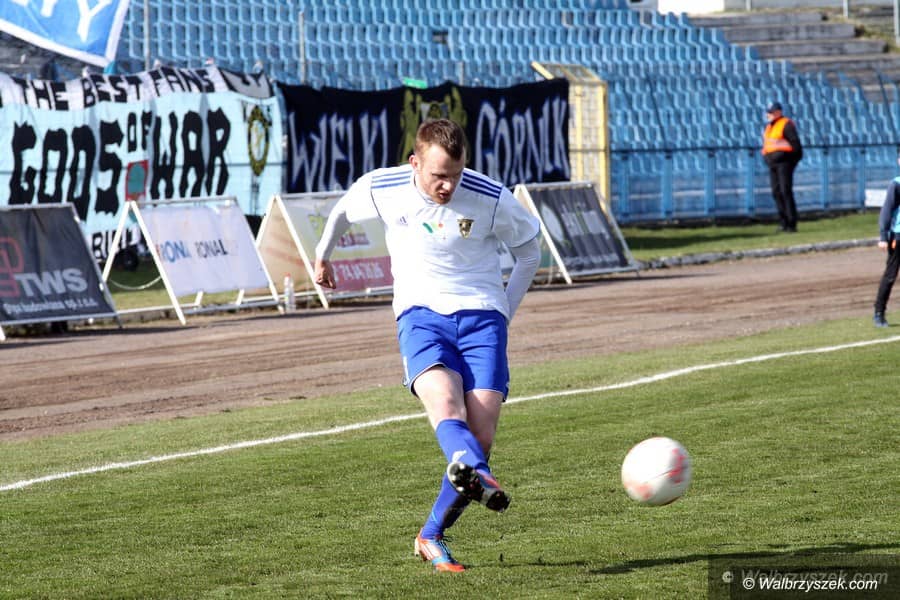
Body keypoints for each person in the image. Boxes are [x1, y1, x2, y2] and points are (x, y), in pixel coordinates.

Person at [314, 118, 541, 572]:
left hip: (482, 317)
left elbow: (530, 250)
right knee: (446, 406)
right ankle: (475, 474)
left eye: (456, 174)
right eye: (439, 175)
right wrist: (322, 256)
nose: (448, 186)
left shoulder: (490, 196)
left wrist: (504, 313)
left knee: (481, 437)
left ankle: (431, 534)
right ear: (414, 162)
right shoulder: (383, 187)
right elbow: (341, 212)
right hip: (420, 315)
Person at [761, 101, 803, 232]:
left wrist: (789, 162)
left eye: (771, 112)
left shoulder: (786, 124)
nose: (768, 114)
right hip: (773, 164)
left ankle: (791, 223)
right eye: (768, 112)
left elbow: (796, 147)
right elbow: (768, 145)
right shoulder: (769, 127)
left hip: (784, 163)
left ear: (778, 112)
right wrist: (767, 157)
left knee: (785, 191)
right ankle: (783, 221)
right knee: (776, 192)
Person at [873, 158, 900, 328]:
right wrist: (883, 236)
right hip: (898, 236)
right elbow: (886, 211)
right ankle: (879, 312)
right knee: (890, 275)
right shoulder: (896, 184)